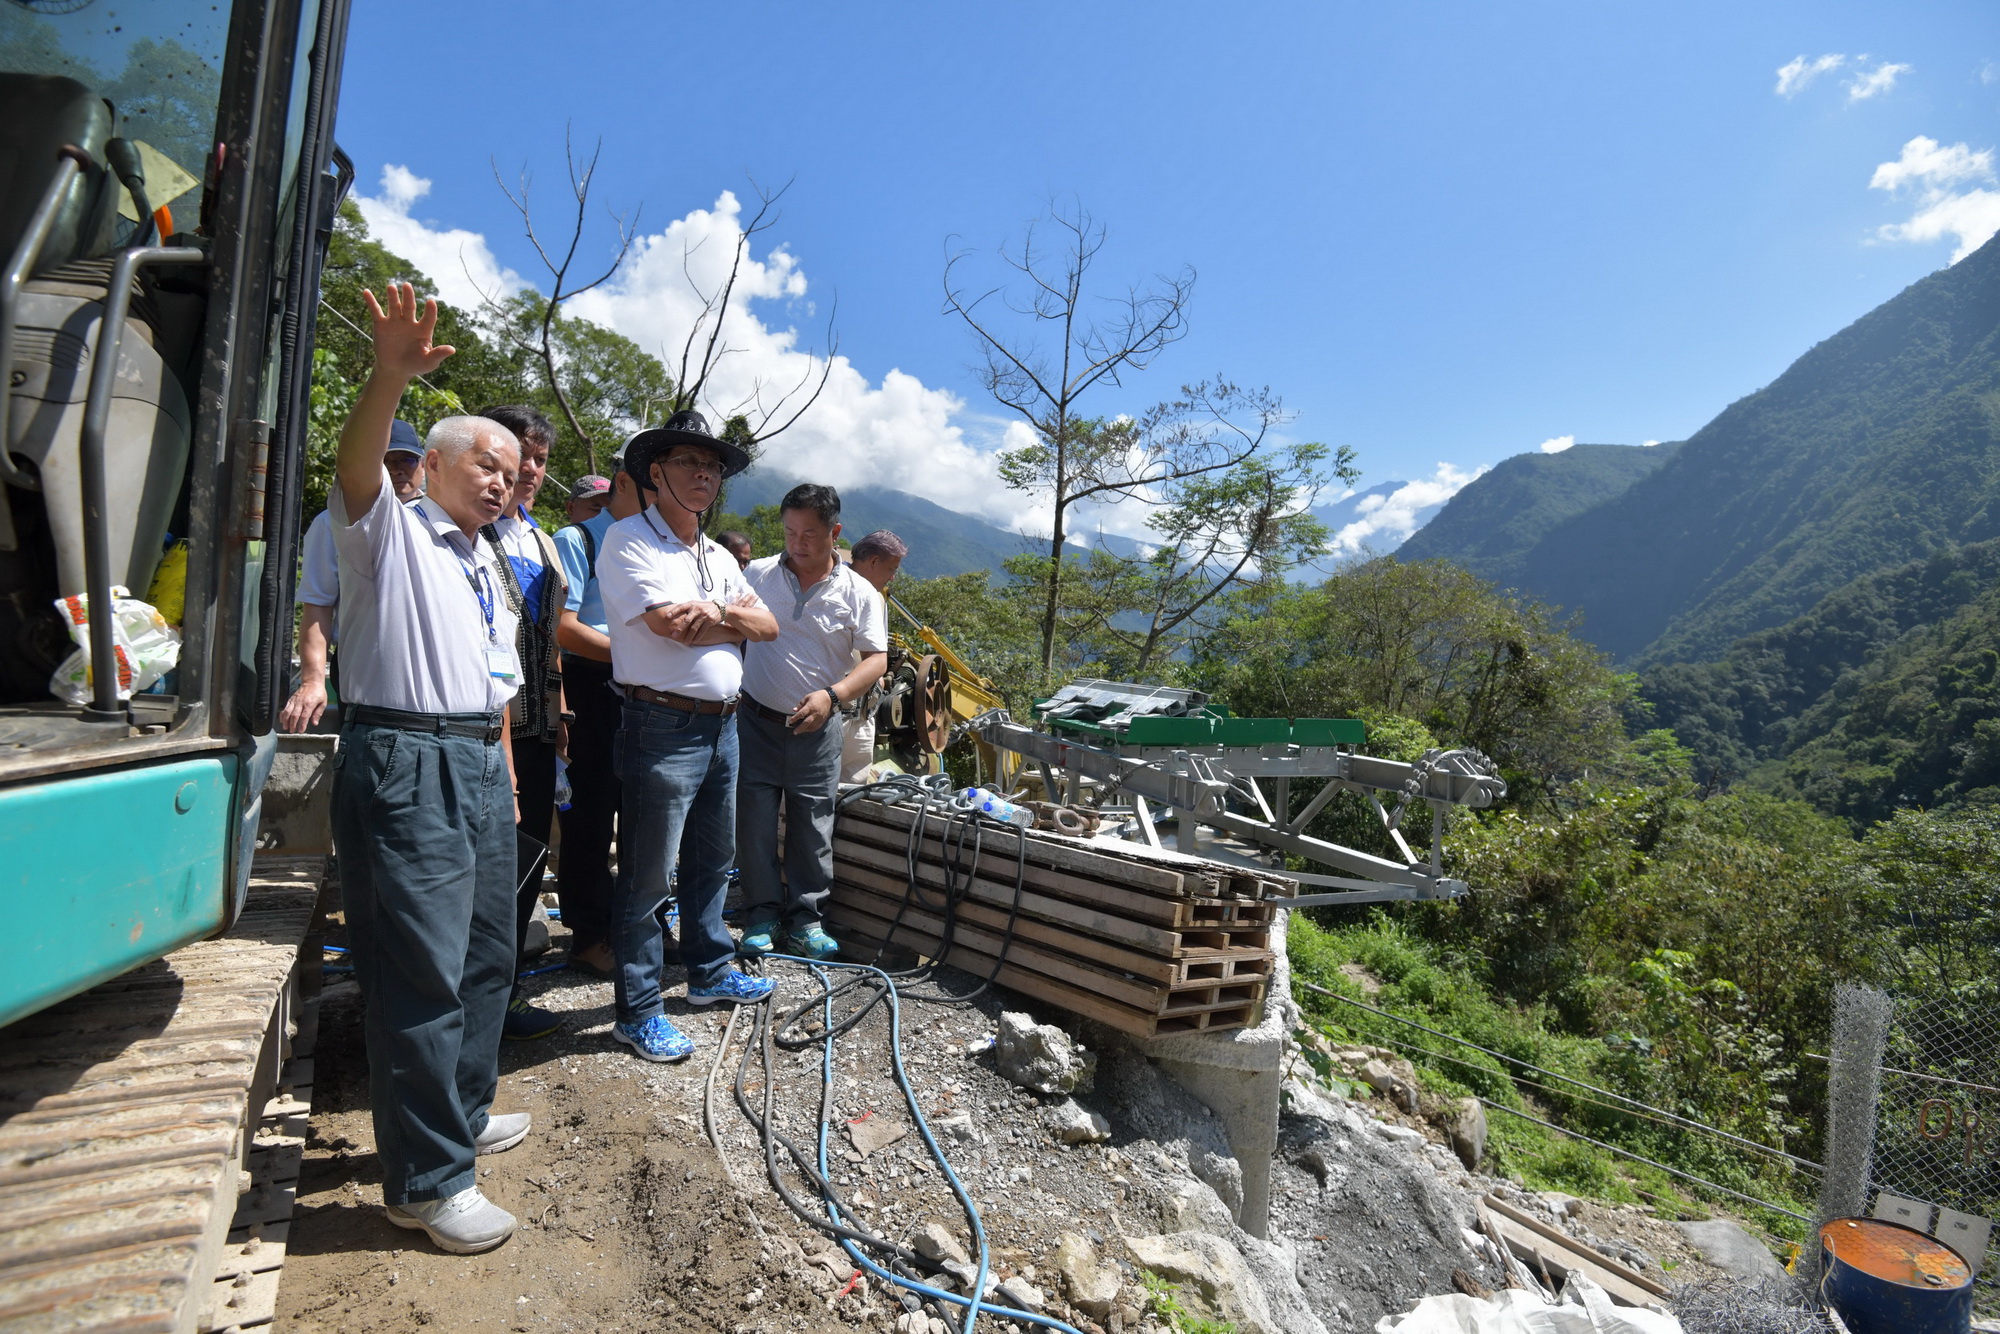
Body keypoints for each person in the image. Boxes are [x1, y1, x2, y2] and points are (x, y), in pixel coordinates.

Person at [326, 282, 530, 1254]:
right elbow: (355, 463)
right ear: (435, 465)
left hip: (479, 758)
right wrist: (388, 376)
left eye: (511, 472)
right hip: (405, 755)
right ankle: (425, 1182)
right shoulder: (389, 529)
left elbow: (495, 681)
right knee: (420, 974)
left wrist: (505, 771)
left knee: (489, 955)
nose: (500, 482)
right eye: (484, 464)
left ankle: (461, 1111)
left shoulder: (488, 561)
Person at [597, 409, 780, 1062]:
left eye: (712, 467)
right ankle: (638, 1011)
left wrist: (718, 611)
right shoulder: (629, 541)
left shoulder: (719, 555)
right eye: (688, 462)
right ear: (657, 471)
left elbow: (768, 628)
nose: (704, 474)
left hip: (724, 725)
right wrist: (732, 621)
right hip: (661, 725)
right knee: (648, 876)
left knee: (711, 860)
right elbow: (670, 627)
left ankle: (708, 971)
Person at [736, 488, 888, 959]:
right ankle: (760, 915)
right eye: (789, 532)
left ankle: (807, 919)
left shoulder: (859, 592)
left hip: (818, 729)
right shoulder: (757, 574)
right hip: (754, 720)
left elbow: (877, 659)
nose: (797, 543)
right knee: (753, 823)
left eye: (809, 534)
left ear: (834, 532)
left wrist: (832, 695)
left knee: (812, 825)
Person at [476, 405, 570, 1043]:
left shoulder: (540, 540)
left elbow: (550, 636)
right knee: (478, 868)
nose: (530, 470)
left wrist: (563, 713)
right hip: (480, 731)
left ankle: (503, 993)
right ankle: (472, 1001)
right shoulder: (463, 535)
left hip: (536, 732)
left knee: (525, 862)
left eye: (539, 459)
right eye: (520, 457)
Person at [551, 455, 644, 978]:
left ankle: (639, 925)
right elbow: (563, 627)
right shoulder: (579, 539)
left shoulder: (653, 543)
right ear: (625, 483)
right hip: (591, 683)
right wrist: (635, 655)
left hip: (645, 688)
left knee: (643, 814)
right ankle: (588, 934)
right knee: (588, 814)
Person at [278, 420, 425, 733]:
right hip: (363, 663)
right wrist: (312, 680)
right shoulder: (331, 523)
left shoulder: (445, 521)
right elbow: (317, 605)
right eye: (386, 460)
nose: (398, 469)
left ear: (425, 465)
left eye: (407, 460)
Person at [840, 530, 906, 782]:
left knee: (853, 785)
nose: (892, 577)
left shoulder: (878, 598)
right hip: (834, 708)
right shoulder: (834, 587)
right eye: (891, 569)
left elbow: (879, 649)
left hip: (863, 712)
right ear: (874, 561)